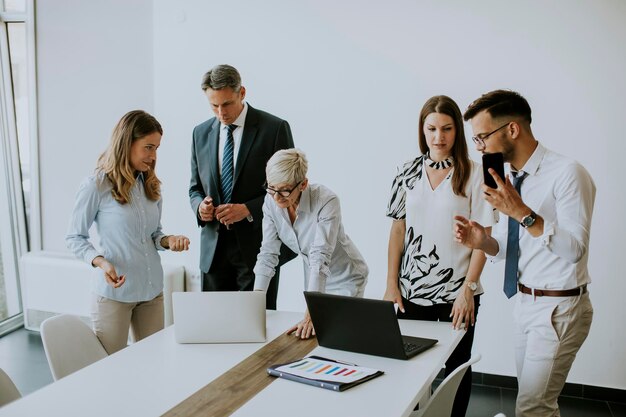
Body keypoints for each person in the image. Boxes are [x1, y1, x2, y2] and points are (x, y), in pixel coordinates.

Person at [454, 89, 595, 417]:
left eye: (482, 138)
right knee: (540, 406)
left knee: (532, 408)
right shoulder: (509, 179)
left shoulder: (568, 173)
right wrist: (482, 241)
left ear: (512, 130)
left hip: (560, 309)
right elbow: (505, 245)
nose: (480, 148)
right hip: (525, 304)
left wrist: (521, 212)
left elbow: (575, 249)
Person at [384, 95, 496, 417]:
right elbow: (396, 232)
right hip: (411, 291)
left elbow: (483, 238)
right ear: (422, 130)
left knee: (456, 368)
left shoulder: (475, 173)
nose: (439, 137)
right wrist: (392, 284)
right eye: (432, 128)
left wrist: (469, 290)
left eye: (447, 128)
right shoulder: (406, 171)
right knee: (411, 368)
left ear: (457, 131)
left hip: (457, 291)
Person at [66, 110, 190, 354]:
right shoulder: (96, 185)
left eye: (157, 149)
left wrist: (168, 240)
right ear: (127, 143)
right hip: (114, 296)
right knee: (112, 369)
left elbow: (153, 235)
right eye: (148, 147)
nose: (153, 156)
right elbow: (74, 237)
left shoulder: (150, 184)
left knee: (153, 362)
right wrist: (101, 262)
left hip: (151, 292)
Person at [189, 64, 295, 309]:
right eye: (213, 105)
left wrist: (247, 209)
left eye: (226, 104)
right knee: (214, 327)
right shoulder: (200, 133)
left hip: (258, 246)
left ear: (242, 93)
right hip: (213, 251)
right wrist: (200, 208)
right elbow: (194, 188)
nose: (220, 112)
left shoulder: (275, 129)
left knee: (258, 326)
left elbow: (290, 189)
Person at [253, 148, 368, 339]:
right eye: (271, 188)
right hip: (314, 281)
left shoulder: (326, 201)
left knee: (338, 336)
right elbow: (268, 254)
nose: (276, 197)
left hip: (344, 277)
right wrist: (255, 304)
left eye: (284, 190)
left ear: (303, 184)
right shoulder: (271, 202)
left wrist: (313, 313)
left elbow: (320, 256)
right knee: (313, 336)